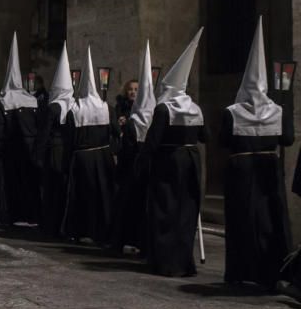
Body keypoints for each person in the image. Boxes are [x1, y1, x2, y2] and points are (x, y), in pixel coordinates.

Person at [221, 18, 293, 291]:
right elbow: (287, 140)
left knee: (242, 220)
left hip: (240, 170)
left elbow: (224, 141)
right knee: (270, 219)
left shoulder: (232, 111)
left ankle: (241, 270)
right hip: (269, 169)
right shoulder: (278, 111)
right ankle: (273, 271)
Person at [142, 28, 207, 277]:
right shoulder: (195, 109)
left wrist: (143, 164)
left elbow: (153, 141)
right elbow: (205, 137)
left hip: (168, 162)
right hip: (191, 161)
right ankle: (184, 261)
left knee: (164, 209)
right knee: (186, 211)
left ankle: (165, 261)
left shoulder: (163, 109)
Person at [61, 46, 117, 244]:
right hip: (103, 158)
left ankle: (80, 230)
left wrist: (66, 162)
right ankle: (103, 231)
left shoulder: (74, 110)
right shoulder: (106, 108)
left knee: (82, 196)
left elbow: (68, 139)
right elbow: (114, 133)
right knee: (103, 196)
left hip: (82, 158)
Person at [111, 42, 155, 253]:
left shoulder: (133, 122)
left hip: (133, 170)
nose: (133, 93)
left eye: (136, 90)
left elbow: (127, 150)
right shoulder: (157, 117)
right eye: (130, 89)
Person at [0, 33, 40, 226]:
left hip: (11, 149)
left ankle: (11, 214)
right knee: (28, 182)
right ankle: (30, 213)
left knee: (11, 183)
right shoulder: (32, 100)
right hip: (29, 148)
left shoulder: (2, 102)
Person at [35, 43, 74, 237]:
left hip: (55, 150)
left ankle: (50, 224)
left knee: (51, 189)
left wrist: (39, 156)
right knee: (65, 188)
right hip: (69, 150)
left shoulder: (54, 107)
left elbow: (44, 132)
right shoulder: (74, 105)